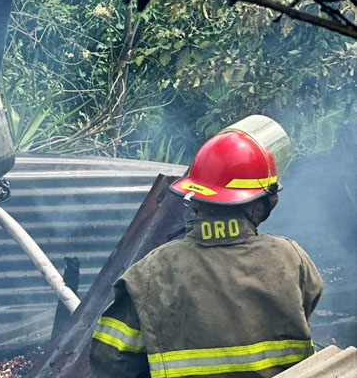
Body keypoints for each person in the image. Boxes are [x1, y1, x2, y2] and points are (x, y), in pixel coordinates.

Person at [89, 124, 323, 378]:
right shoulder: (291, 259)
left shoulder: (148, 273)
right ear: (262, 202)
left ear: (196, 199)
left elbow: (109, 361)